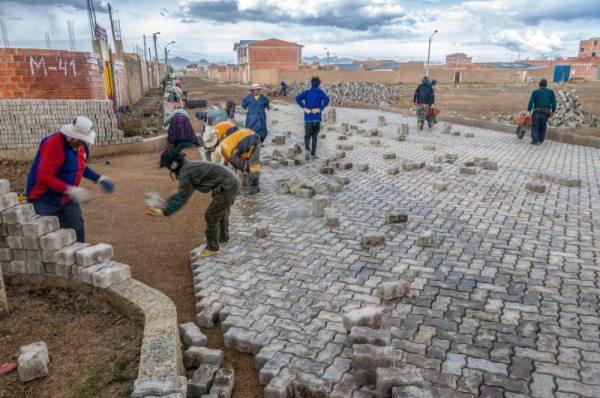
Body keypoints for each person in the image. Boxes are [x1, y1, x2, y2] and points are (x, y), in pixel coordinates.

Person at [26, 116, 115, 242]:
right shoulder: (53, 144)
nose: (73, 139)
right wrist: (70, 189)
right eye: (71, 135)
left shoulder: (83, 147)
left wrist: (99, 178)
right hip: (43, 199)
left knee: (77, 231)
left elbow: (80, 167)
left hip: (67, 199)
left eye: (78, 138)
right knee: (46, 239)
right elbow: (43, 176)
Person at [146, 147, 240, 258]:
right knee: (221, 210)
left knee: (211, 215)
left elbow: (182, 197)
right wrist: (165, 205)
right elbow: (181, 194)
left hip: (227, 184)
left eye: (168, 166)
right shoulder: (189, 167)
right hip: (230, 181)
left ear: (173, 165)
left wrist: (163, 210)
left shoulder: (186, 172)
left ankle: (212, 248)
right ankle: (223, 237)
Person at [213, 127, 262, 194]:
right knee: (243, 162)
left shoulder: (226, 151)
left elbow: (238, 163)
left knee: (253, 163)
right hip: (246, 136)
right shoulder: (223, 147)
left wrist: (242, 168)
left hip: (252, 138)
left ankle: (255, 186)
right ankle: (248, 178)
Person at [295, 76, 330, 160]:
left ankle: (307, 151)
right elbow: (327, 100)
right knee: (314, 137)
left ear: (311, 83)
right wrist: (319, 108)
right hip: (317, 119)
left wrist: (304, 108)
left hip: (308, 119)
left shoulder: (307, 92)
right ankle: (313, 154)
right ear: (319, 84)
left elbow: (297, 98)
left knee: (307, 136)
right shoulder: (320, 92)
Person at [527, 79, 556, 145]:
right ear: (546, 85)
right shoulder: (551, 92)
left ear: (539, 84)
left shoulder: (535, 92)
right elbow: (554, 102)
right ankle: (541, 140)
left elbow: (531, 102)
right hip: (546, 112)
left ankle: (535, 141)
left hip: (536, 111)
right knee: (543, 126)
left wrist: (529, 110)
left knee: (535, 126)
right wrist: (553, 111)